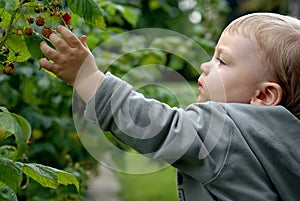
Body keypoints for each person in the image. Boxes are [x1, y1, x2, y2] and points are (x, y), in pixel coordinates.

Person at [39, 12, 300, 201]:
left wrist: (86, 78)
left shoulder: (228, 131)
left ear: (264, 96)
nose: (205, 66)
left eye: (222, 61)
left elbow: (159, 126)